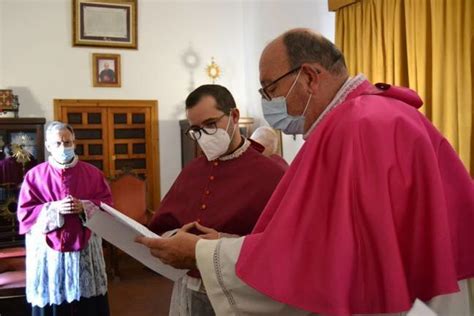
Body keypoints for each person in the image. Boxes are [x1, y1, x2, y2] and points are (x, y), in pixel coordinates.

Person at [137, 28, 474, 315]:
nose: (270, 103)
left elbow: (326, 259)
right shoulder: (363, 117)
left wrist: (200, 252)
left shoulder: (360, 126)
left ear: (310, 77)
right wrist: (226, 243)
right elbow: (323, 237)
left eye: (270, 89)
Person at [148, 84, 286, 316]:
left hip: (241, 292)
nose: (203, 136)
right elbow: (164, 225)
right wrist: (175, 236)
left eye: (211, 124)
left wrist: (221, 242)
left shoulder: (271, 173)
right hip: (191, 287)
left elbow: (282, 243)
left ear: (234, 116)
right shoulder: (192, 170)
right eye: (195, 130)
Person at [17, 121, 112, 316]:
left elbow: (107, 206)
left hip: (84, 248)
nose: (64, 147)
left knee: (88, 305)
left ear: (74, 143)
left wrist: (84, 206)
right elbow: (25, 213)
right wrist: (54, 209)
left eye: (68, 142)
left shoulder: (93, 174)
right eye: (58, 144)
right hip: (49, 253)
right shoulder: (34, 176)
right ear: (48, 146)